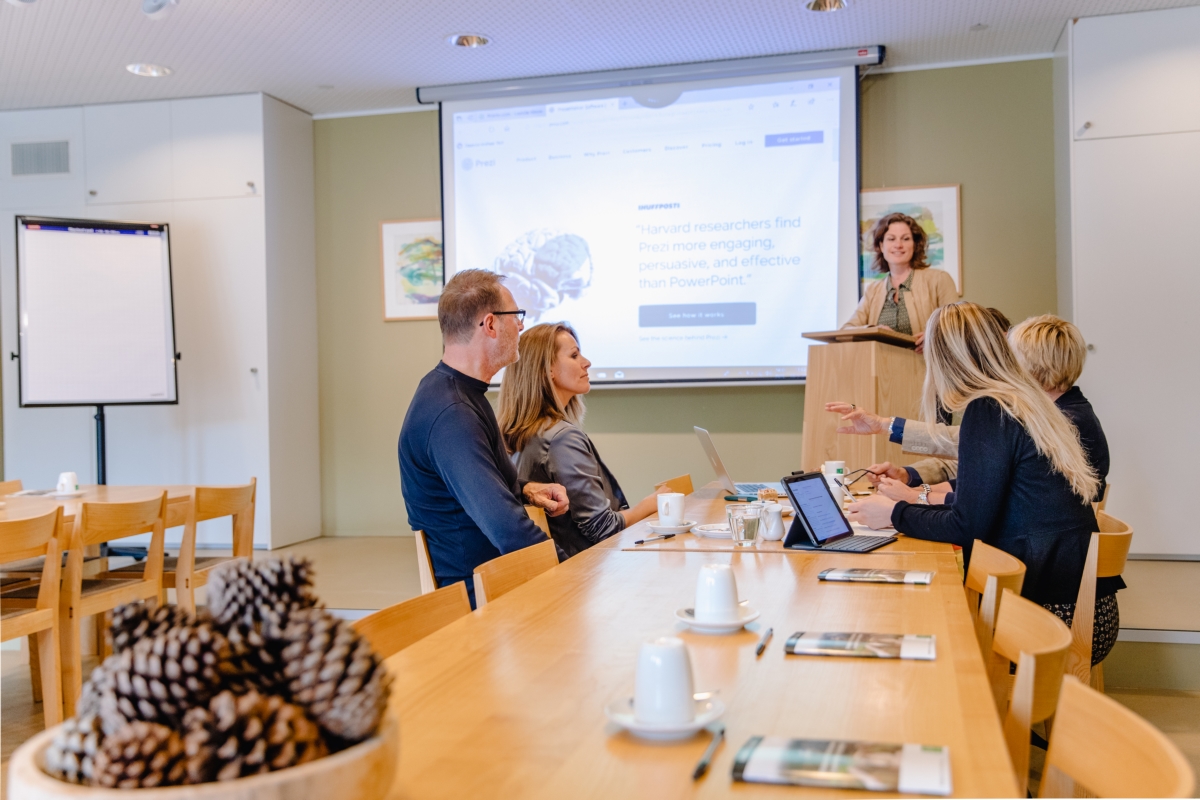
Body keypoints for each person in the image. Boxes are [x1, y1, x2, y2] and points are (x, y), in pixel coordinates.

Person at [846, 303, 1118, 665]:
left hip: (1051, 620)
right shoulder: (1022, 402)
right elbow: (986, 501)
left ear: (944, 361)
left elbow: (967, 525)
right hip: (1077, 606)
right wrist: (913, 499)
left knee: (918, 625)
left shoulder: (991, 409)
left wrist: (895, 513)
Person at [398, 269, 570, 608]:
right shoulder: (452, 412)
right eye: (516, 316)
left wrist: (526, 489)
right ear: (490, 325)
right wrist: (578, 573)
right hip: (483, 603)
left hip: (498, 584)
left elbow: (490, 487)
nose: (521, 326)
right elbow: (507, 529)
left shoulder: (458, 392)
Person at [498, 323, 665, 557]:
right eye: (574, 355)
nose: (586, 362)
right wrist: (650, 504)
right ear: (548, 371)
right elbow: (603, 529)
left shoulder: (520, 435)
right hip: (584, 575)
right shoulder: (561, 438)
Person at [842, 212, 958, 352]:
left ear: (915, 244)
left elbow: (957, 327)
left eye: (906, 238)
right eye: (891, 239)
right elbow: (846, 330)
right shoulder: (872, 290)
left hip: (928, 371)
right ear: (881, 245)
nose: (898, 245)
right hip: (881, 371)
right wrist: (874, 330)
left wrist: (933, 337)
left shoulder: (939, 279)